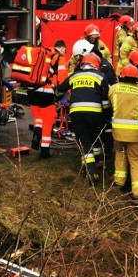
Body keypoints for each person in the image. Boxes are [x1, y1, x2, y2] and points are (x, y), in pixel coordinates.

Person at [56, 52, 109, 185]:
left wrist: (61, 98)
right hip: (95, 114)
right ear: (96, 65)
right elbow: (105, 101)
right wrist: (106, 115)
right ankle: (97, 161)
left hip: (76, 114)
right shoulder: (101, 76)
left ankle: (91, 172)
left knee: (85, 141)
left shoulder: (74, 75)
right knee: (94, 136)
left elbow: (60, 89)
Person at [109, 64, 138, 198]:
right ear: (137, 79)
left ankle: (119, 182)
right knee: (136, 160)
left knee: (120, 154)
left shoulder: (113, 89)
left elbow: (110, 106)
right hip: (137, 135)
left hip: (118, 133)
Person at [28, 40, 66, 159]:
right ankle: (45, 150)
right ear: (62, 49)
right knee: (48, 121)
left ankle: (37, 132)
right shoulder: (60, 58)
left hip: (32, 91)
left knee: (39, 117)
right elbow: (63, 78)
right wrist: (62, 95)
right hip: (46, 92)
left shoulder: (41, 53)